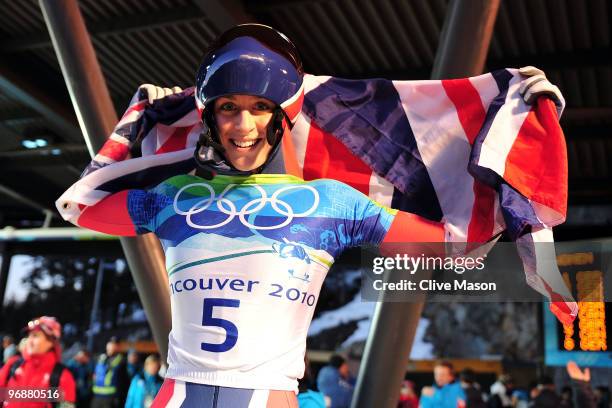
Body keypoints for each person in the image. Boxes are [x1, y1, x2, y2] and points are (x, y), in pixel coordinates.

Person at [56, 24, 564, 408]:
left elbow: (455, 245)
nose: (243, 124)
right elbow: (83, 207)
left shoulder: (332, 202)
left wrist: (518, 128)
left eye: (260, 107)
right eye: (227, 106)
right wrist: (148, 112)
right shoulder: (173, 196)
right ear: (208, 115)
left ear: (285, 114)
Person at [0, 316, 76, 408]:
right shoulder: (13, 364)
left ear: (51, 342)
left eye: (36, 336)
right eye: (29, 335)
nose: (30, 341)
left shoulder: (61, 377)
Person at [92, 337, 128, 408]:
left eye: (114, 344)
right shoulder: (100, 358)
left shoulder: (122, 361)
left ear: (118, 347)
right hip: (97, 397)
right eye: (110, 344)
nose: (111, 346)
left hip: (111, 398)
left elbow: (125, 381)